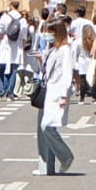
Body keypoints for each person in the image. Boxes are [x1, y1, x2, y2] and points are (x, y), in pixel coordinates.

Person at [36, 19, 76, 175]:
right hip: (49, 90)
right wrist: (41, 59)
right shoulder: (53, 49)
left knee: (46, 126)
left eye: (50, 32)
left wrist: (64, 95)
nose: (47, 35)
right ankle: (48, 167)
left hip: (58, 91)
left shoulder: (65, 50)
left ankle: (65, 156)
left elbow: (67, 73)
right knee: (46, 127)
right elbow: (48, 70)